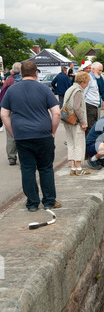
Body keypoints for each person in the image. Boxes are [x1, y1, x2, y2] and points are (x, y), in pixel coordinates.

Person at [0, 61, 61, 212]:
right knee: (46, 168)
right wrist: (53, 131)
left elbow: (4, 114)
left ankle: (32, 203)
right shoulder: (44, 89)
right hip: (43, 134)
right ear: (36, 73)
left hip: (22, 136)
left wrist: (13, 132)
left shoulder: (12, 90)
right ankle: (49, 201)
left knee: (27, 169)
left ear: (20, 72)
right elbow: (57, 112)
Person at [63, 72, 91, 175]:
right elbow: (76, 108)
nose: (87, 85)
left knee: (71, 143)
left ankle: (73, 167)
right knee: (79, 143)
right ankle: (79, 168)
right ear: (82, 82)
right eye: (87, 82)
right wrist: (83, 122)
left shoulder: (69, 89)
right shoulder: (78, 91)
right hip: (76, 122)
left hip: (67, 120)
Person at [0, 62, 23, 165]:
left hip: (10, 111)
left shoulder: (8, 81)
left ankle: (11, 158)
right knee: (23, 133)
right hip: (23, 110)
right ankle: (23, 156)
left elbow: (2, 98)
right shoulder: (25, 81)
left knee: (10, 135)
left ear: (13, 70)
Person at [82, 60, 100, 135]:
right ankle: (89, 144)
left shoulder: (94, 78)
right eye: (99, 70)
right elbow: (83, 92)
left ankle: (90, 143)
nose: (101, 72)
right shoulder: (88, 78)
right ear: (94, 70)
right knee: (90, 126)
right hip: (89, 105)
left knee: (93, 125)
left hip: (93, 105)